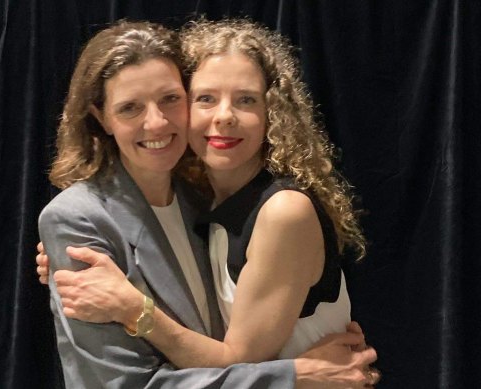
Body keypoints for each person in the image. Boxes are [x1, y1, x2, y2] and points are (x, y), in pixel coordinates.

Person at [38, 19, 379, 388]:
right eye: (130, 108)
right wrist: (296, 376)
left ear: (273, 112)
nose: (224, 116)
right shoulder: (94, 218)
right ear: (100, 117)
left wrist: (137, 310)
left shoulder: (261, 208)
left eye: (169, 99)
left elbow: (237, 358)